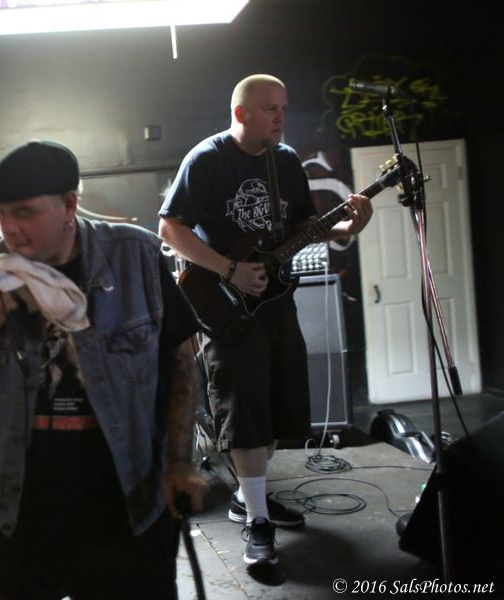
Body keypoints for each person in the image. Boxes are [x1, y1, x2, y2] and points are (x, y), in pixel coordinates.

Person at [0, 140, 210, 600]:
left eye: (25, 212)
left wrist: (180, 463)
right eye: (1, 214)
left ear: (68, 204)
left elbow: (180, 363)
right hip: (17, 514)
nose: (10, 229)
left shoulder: (137, 258)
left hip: (125, 507)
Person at [158, 74, 373, 567]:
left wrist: (347, 226)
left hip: (275, 301)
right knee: (244, 411)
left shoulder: (285, 161)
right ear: (241, 113)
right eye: (270, 109)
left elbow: (301, 228)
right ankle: (257, 521)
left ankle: (247, 497)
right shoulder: (208, 158)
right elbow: (170, 228)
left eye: (283, 107)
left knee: (276, 406)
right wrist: (230, 269)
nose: (281, 117)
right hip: (224, 302)